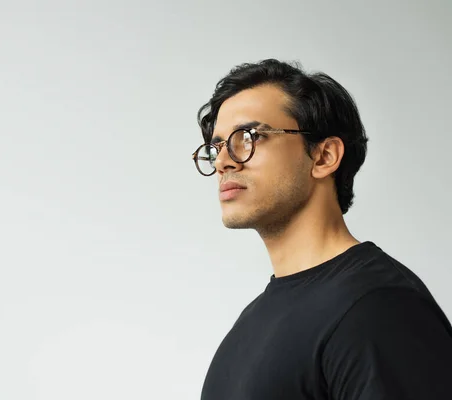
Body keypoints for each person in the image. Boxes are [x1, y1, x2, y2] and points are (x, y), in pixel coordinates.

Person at [192, 59, 452, 399]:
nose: (224, 161)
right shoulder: (255, 319)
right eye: (217, 147)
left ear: (324, 156)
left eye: (248, 137)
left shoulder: (379, 308)